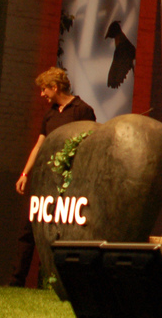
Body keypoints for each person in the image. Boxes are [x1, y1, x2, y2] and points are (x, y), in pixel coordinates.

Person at [10, 66, 96, 287]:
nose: (42, 94)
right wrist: (25, 173)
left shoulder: (82, 110)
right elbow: (39, 145)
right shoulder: (50, 114)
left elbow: (89, 145)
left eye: (44, 89)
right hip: (43, 180)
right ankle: (16, 280)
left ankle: (49, 281)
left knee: (57, 232)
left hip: (67, 183)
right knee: (28, 229)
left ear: (55, 87)